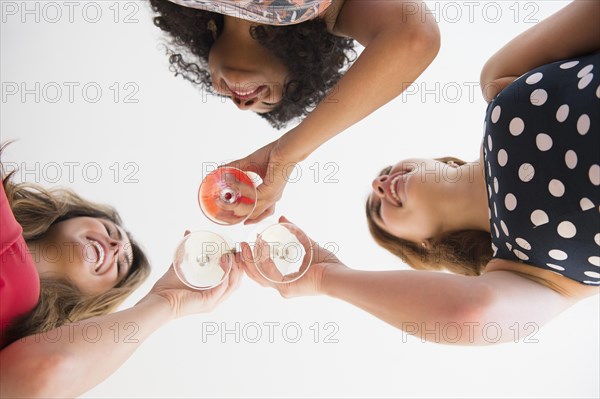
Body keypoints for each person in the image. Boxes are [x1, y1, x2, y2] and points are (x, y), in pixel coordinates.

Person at [237, 0, 600, 344]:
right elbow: (469, 315)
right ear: (424, 247)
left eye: (383, 173)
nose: (380, 185)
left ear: (438, 162)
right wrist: (325, 277)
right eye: (379, 210)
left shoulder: (500, 81)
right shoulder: (533, 274)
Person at [149, 0, 441, 223]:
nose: (241, 103)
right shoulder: (331, 10)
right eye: (269, 102)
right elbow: (415, 38)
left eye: (234, 101)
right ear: (303, 63)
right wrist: (287, 154)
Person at [0, 145, 243, 397]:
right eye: (110, 231)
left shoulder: (23, 342)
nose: (116, 248)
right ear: (69, 217)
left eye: (119, 265)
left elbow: (50, 369)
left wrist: (167, 302)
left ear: (94, 298)